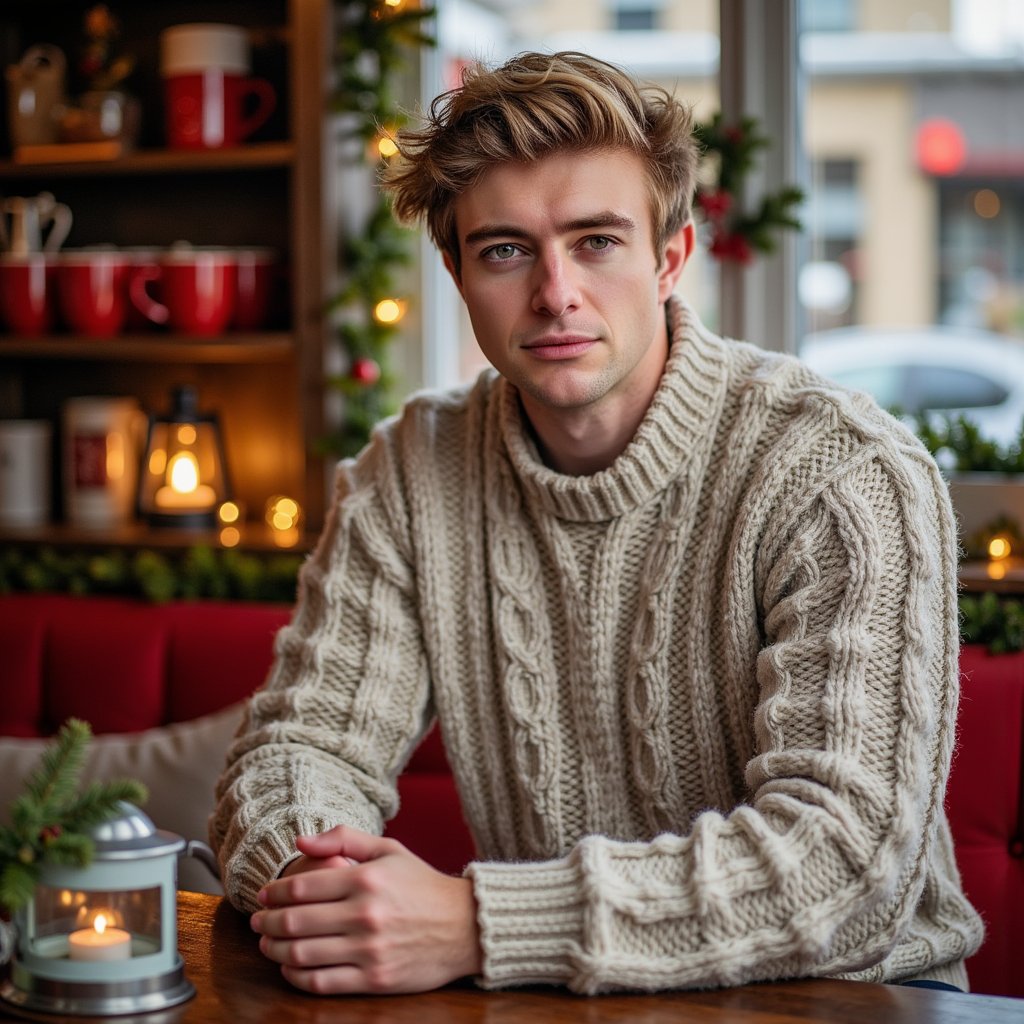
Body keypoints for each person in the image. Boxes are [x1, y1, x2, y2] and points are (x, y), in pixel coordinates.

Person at [211, 50, 983, 996]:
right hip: (562, 998)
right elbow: (301, 748)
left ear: (669, 257)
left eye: (596, 241)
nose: (556, 293)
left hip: (855, 999)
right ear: (456, 272)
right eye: (505, 250)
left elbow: (841, 868)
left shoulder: (838, 469)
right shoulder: (411, 472)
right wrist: (318, 885)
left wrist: (474, 924)